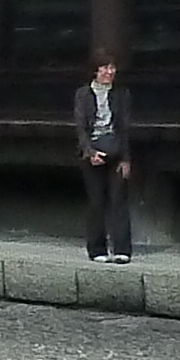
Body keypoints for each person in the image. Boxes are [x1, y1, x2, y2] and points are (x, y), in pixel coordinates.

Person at [74, 57, 136, 264]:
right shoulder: (83, 94)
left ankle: (122, 249)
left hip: (115, 149)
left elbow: (124, 128)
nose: (109, 72)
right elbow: (81, 127)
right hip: (92, 150)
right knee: (96, 201)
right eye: (104, 68)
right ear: (95, 71)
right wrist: (90, 152)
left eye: (112, 68)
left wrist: (126, 158)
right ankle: (97, 248)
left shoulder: (121, 94)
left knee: (119, 200)